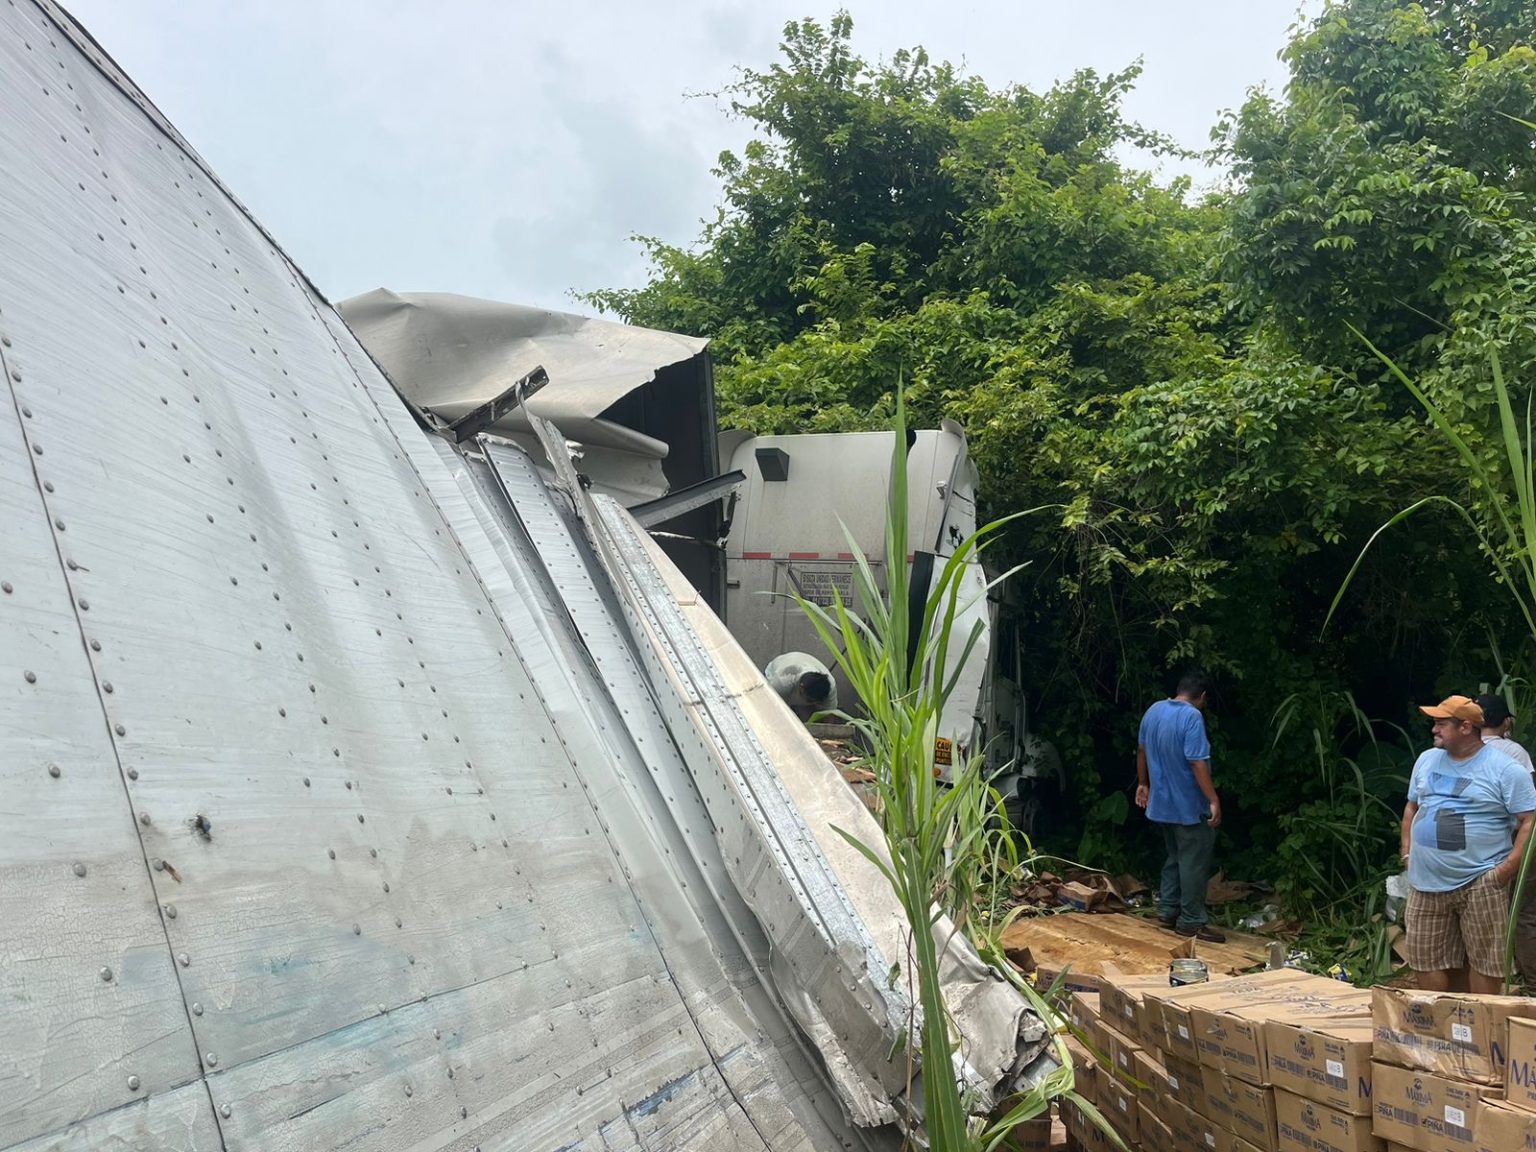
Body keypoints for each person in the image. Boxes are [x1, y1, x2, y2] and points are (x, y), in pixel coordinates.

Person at [1401, 695, 1536, 994]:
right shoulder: (1426, 759)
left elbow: (1529, 820)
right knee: (1424, 959)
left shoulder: (1505, 768)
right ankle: (1441, 1021)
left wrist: (1506, 870)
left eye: (1441, 724)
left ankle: (1479, 1022)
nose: (1434, 729)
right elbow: (1411, 806)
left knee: (1485, 963)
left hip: (1480, 879)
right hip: (1425, 880)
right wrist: (1407, 852)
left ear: (1465, 727)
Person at [1136, 671, 1224, 943]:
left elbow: (1142, 750)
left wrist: (1143, 783)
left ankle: (1167, 910)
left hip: (1162, 804)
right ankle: (1191, 921)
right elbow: (1197, 762)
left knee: (1174, 856)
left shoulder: (1154, 711)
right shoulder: (1192, 717)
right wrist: (1213, 799)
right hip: (1188, 806)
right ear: (1202, 696)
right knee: (1193, 862)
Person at [1474, 692, 1536, 986]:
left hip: (1473, 841)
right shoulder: (1514, 752)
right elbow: (1529, 804)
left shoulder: (1459, 750)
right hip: (1513, 835)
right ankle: (1532, 981)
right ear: (1506, 722)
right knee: (1524, 910)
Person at [763, 651, 838, 721]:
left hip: (802, 661)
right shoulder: (783, 682)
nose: (808, 702)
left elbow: (829, 715)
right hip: (774, 675)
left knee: (806, 718)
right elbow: (764, 701)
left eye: (812, 701)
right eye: (808, 699)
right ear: (801, 687)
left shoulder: (830, 688)